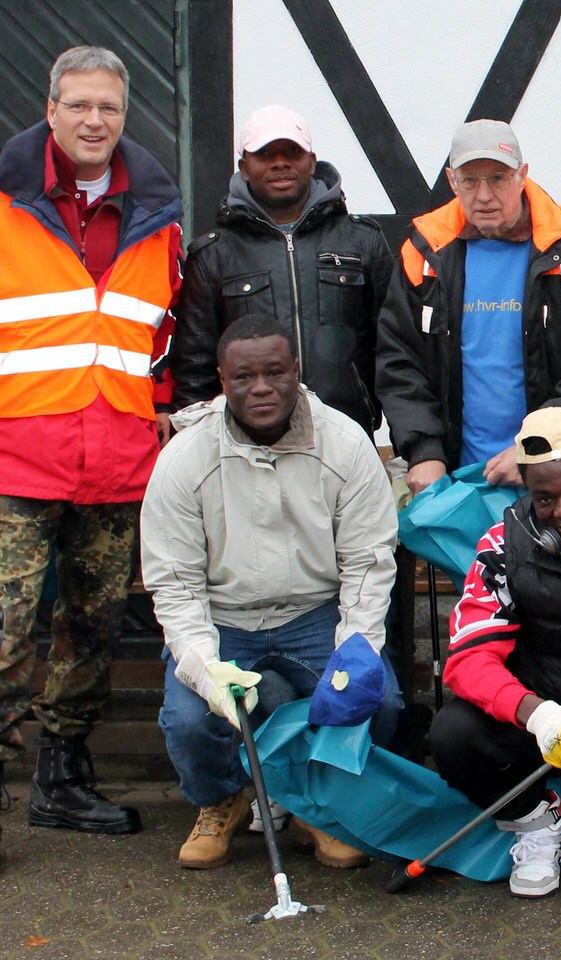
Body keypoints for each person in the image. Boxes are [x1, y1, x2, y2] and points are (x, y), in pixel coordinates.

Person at [0, 46, 183, 851]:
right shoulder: (6, 205)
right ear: (50, 111)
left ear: (124, 114)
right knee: (3, 631)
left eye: (107, 107)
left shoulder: (159, 217)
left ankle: (62, 780)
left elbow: (166, 340)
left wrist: (165, 422)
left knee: (92, 626)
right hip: (16, 455)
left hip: (116, 459)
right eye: (78, 105)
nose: (93, 120)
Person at [140, 314, 401, 870]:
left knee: (377, 700)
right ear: (221, 380)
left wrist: (357, 647)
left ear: (296, 371)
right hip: (222, 618)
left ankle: (316, 804)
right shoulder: (184, 459)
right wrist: (204, 666)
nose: (261, 387)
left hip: (313, 613)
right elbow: (176, 584)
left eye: (275, 372)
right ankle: (222, 799)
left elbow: (368, 561)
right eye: (244, 377)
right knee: (189, 720)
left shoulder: (345, 442)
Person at [428, 406, 561, 898]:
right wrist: (537, 714)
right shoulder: (502, 544)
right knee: (454, 733)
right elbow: (467, 659)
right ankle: (537, 822)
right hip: (555, 719)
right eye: (544, 498)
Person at [376, 118, 561, 496]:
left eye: (498, 178)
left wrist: (538, 446)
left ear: (522, 175)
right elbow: (398, 361)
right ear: (452, 181)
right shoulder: (423, 251)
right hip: (455, 482)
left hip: (559, 481)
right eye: (470, 180)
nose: (483, 196)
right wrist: (424, 451)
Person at [170, 103, 394, 438]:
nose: (280, 163)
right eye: (265, 154)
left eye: (292, 151)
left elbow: (394, 354)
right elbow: (194, 370)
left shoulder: (363, 242)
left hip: (345, 439)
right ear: (244, 167)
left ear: (312, 162)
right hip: (246, 449)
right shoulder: (214, 255)